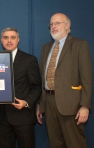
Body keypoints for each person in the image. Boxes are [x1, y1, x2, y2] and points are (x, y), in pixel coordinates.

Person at [36, 13, 92, 148]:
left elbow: (87, 79)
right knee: (55, 143)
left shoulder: (80, 45)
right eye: (51, 24)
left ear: (67, 26)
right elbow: (41, 80)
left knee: (75, 143)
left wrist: (85, 106)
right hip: (48, 103)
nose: (53, 26)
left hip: (71, 105)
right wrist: (40, 104)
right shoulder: (45, 48)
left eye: (57, 23)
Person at [0, 27, 42, 148]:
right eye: (6, 37)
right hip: (2, 117)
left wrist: (26, 102)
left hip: (23, 117)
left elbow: (37, 87)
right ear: (1, 40)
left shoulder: (29, 60)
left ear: (18, 40)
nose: (9, 40)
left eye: (13, 37)